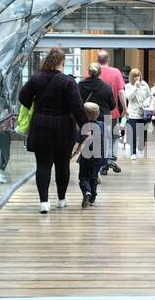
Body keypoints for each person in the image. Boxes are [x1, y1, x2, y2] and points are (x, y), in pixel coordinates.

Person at [18, 46, 88, 214]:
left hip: (41, 126)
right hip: (64, 128)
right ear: (62, 63)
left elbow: (22, 97)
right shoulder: (68, 82)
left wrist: (34, 104)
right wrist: (86, 127)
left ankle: (44, 202)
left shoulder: (36, 79)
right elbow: (77, 107)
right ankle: (61, 199)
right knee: (62, 164)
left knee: (42, 165)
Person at [78, 63, 117, 177]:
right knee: (103, 146)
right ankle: (99, 169)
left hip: (86, 119)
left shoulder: (80, 85)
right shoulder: (106, 87)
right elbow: (112, 105)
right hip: (104, 119)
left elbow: (77, 102)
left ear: (88, 72)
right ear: (100, 73)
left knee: (87, 143)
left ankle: (88, 167)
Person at [95, 50, 126, 174]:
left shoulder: (92, 71)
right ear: (108, 59)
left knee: (101, 137)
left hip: (95, 113)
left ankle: (102, 164)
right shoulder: (116, 72)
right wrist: (125, 108)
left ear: (98, 60)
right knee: (113, 137)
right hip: (112, 112)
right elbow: (121, 92)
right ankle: (111, 158)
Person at [73, 101, 105, 208]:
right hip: (98, 157)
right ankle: (92, 199)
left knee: (83, 177)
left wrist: (75, 152)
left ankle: (87, 192)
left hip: (86, 157)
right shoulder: (102, 125)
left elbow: (80, 141)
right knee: (94, 177)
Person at [123, 69, 155, 159]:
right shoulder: (128, 86)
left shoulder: (144, 84)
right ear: (131, 77)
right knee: (133, 133)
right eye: (135, 76)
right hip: (133, 113)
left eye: (138, 75)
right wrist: (135, 88)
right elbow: (129, 97)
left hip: (143, 112)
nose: (137, 78)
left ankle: (140, 148)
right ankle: (133, 153)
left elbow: (149, 96)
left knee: (142, 132)